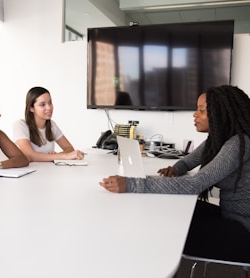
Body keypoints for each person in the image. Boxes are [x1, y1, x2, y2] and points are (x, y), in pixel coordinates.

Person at [100, 85, 250, 262]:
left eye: (201, 110)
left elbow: (195, 184)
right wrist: (176, 169)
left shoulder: (238, 144)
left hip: (242, 229)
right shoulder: (219, 140)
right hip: (229, 215)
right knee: (171, 210)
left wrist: (132, 184)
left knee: (166, 228)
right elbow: (188, 161)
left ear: (222, 113)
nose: (195, 114)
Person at [13, 86, 84, 162]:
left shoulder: (52, 125)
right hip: (31, 172)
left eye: (50, 103)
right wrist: (61, 156)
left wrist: (55, 156)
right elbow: (31, 155)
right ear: (31, 108)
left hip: (49, 171)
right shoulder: (20, 125)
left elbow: (69, 148)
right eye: (42, 104)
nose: (49, 108)